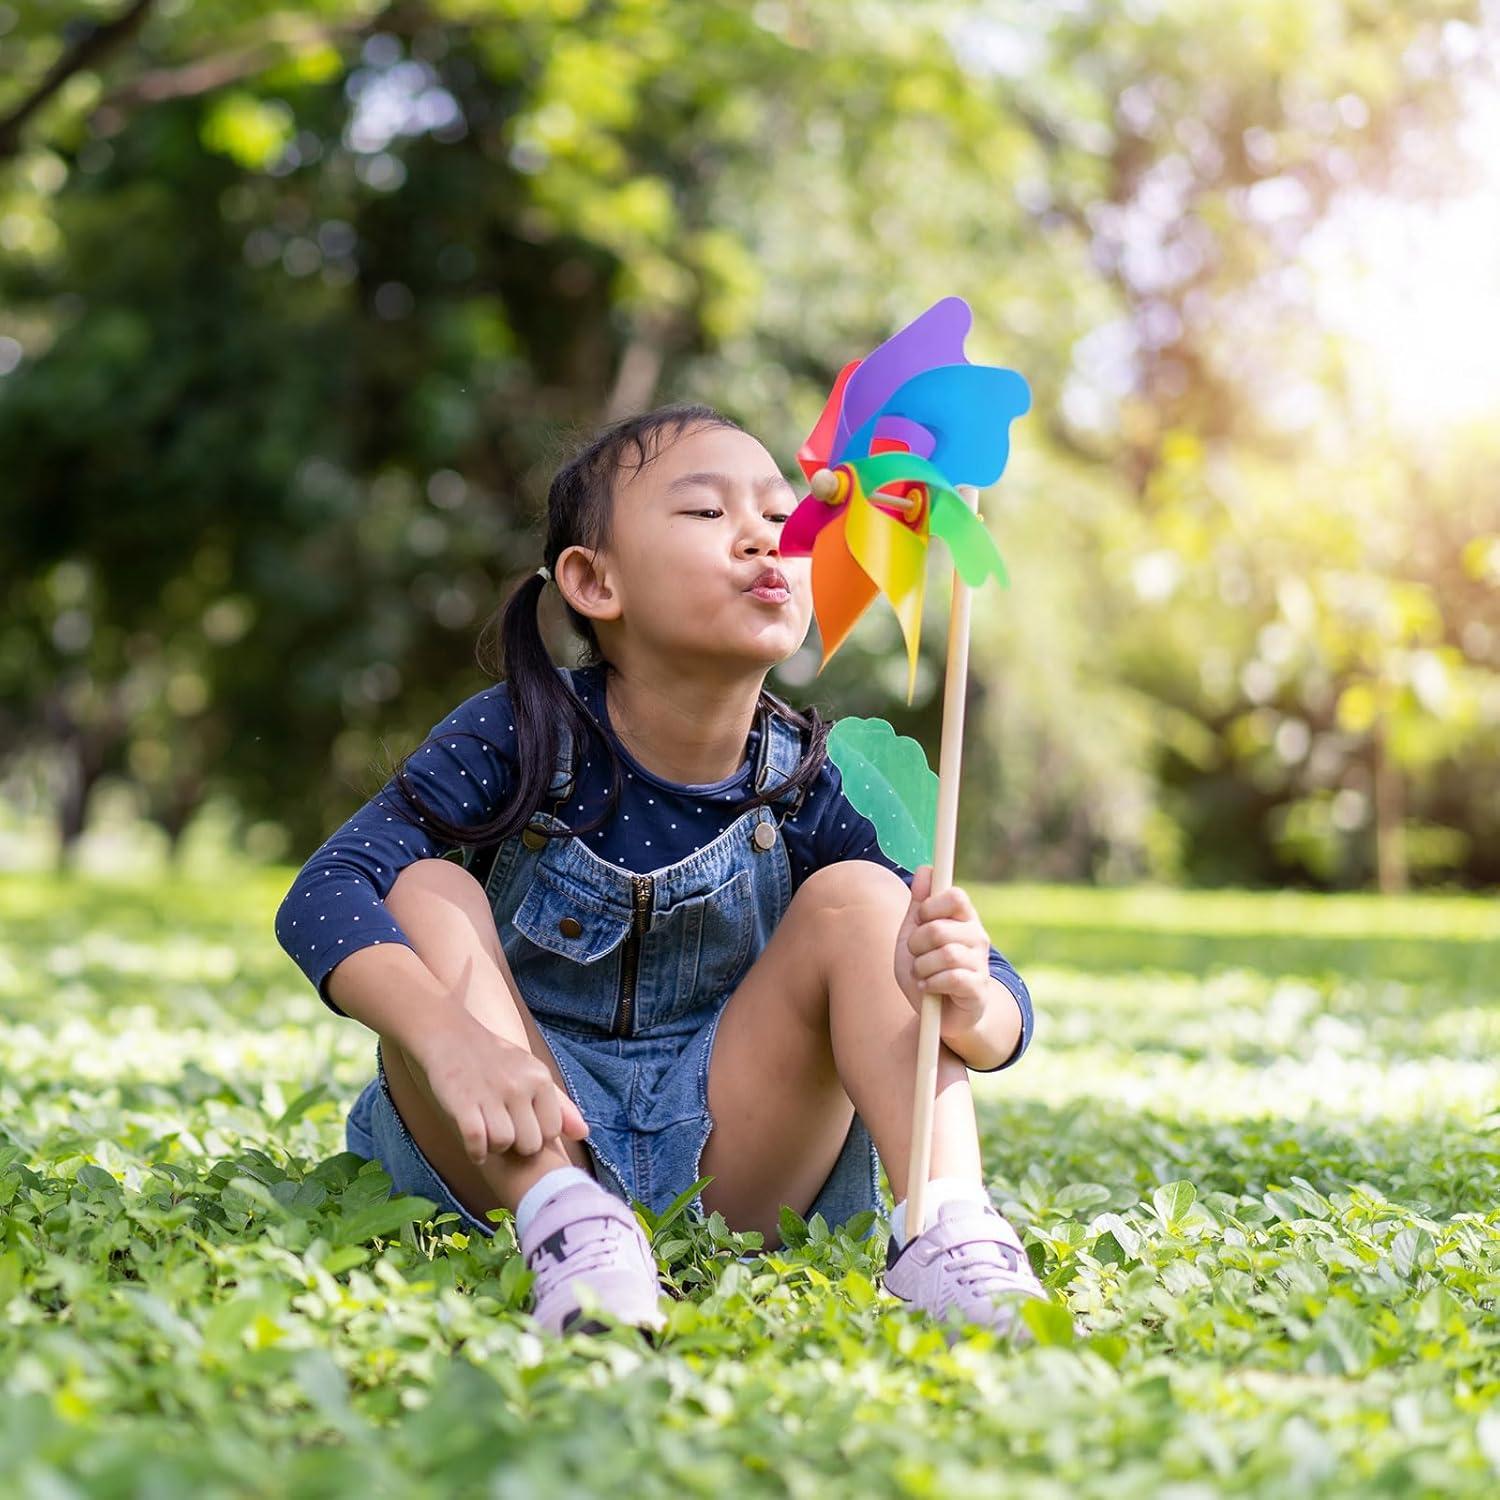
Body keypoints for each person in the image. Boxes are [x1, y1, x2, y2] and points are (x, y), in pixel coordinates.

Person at [274, 403, 1047, 1340]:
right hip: (512, 1141)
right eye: (707, 513)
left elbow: (1000, 1004)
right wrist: (450, 1039)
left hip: (737, 1165)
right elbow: (325, 892)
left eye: (782, 512)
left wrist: (971, 1001)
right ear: (594, 581)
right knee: (428, 888)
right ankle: (570, 1224)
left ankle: (950, 1233)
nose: (767, 532)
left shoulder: (818, 776)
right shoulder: (518, 732)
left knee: (870, 902)